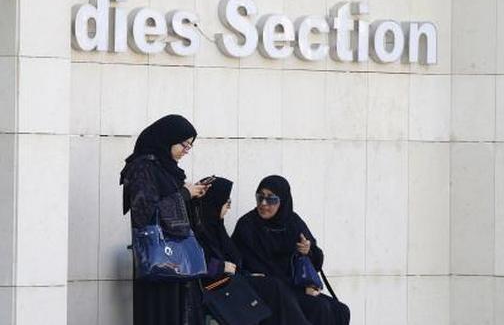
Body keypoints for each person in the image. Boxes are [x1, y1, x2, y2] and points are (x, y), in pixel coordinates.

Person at [119, 114, 210, 325]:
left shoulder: (165, 169)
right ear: (167, 139)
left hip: (175, 260)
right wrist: (184, 195)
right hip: (158, 258)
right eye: (184, 144)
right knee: (160, 314)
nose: (186, 150)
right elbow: (144, 213)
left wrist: (191, 195)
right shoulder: (143, 167)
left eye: (190, 146)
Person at [189, 176, 312, 325]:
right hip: (219, 290)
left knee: (332, 309)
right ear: (214, 203)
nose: (228, 208)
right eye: (226, 203)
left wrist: (308, 252)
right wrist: (223, 267)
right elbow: (194, 265)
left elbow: (236, 261)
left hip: (243, 283)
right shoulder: (197, 231)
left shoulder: (217, 229)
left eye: (271, 199)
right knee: (275, 288)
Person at [232, 175, 350, 325]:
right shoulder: (247, 225)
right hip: (272, 292)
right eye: (259, 197)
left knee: (340, 310)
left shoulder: (292, 222)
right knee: (319, 308)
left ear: (283, 201)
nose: (263, 203)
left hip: (295, 287)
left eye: (271, 199)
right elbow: (250, 266)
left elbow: (317, 260)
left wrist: (308, 250)